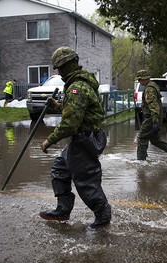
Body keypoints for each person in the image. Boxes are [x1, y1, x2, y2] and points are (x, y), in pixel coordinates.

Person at [39, 46, 111, 229]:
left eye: (62, 67)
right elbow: (75, 110)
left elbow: (71, 124)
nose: (60, 72)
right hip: (82, 137)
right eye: (58, 68)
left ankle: (103, 217)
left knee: (86, 180)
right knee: (60, 170)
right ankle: (63, 210)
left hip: (85, 139)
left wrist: (49, 140)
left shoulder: (77, 87)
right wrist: (57, 105)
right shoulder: (76, 85)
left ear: (72, 64)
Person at [135, 70, 167, 162]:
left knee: (141, 138)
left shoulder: (149, 89)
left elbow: (153, 104)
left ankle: (140, 162)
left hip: (151, 118)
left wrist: (155, 121)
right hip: (155, 117)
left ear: (143, 78)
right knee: (155, 140)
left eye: (139, 79)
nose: (139, 81)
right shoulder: (153, 85)